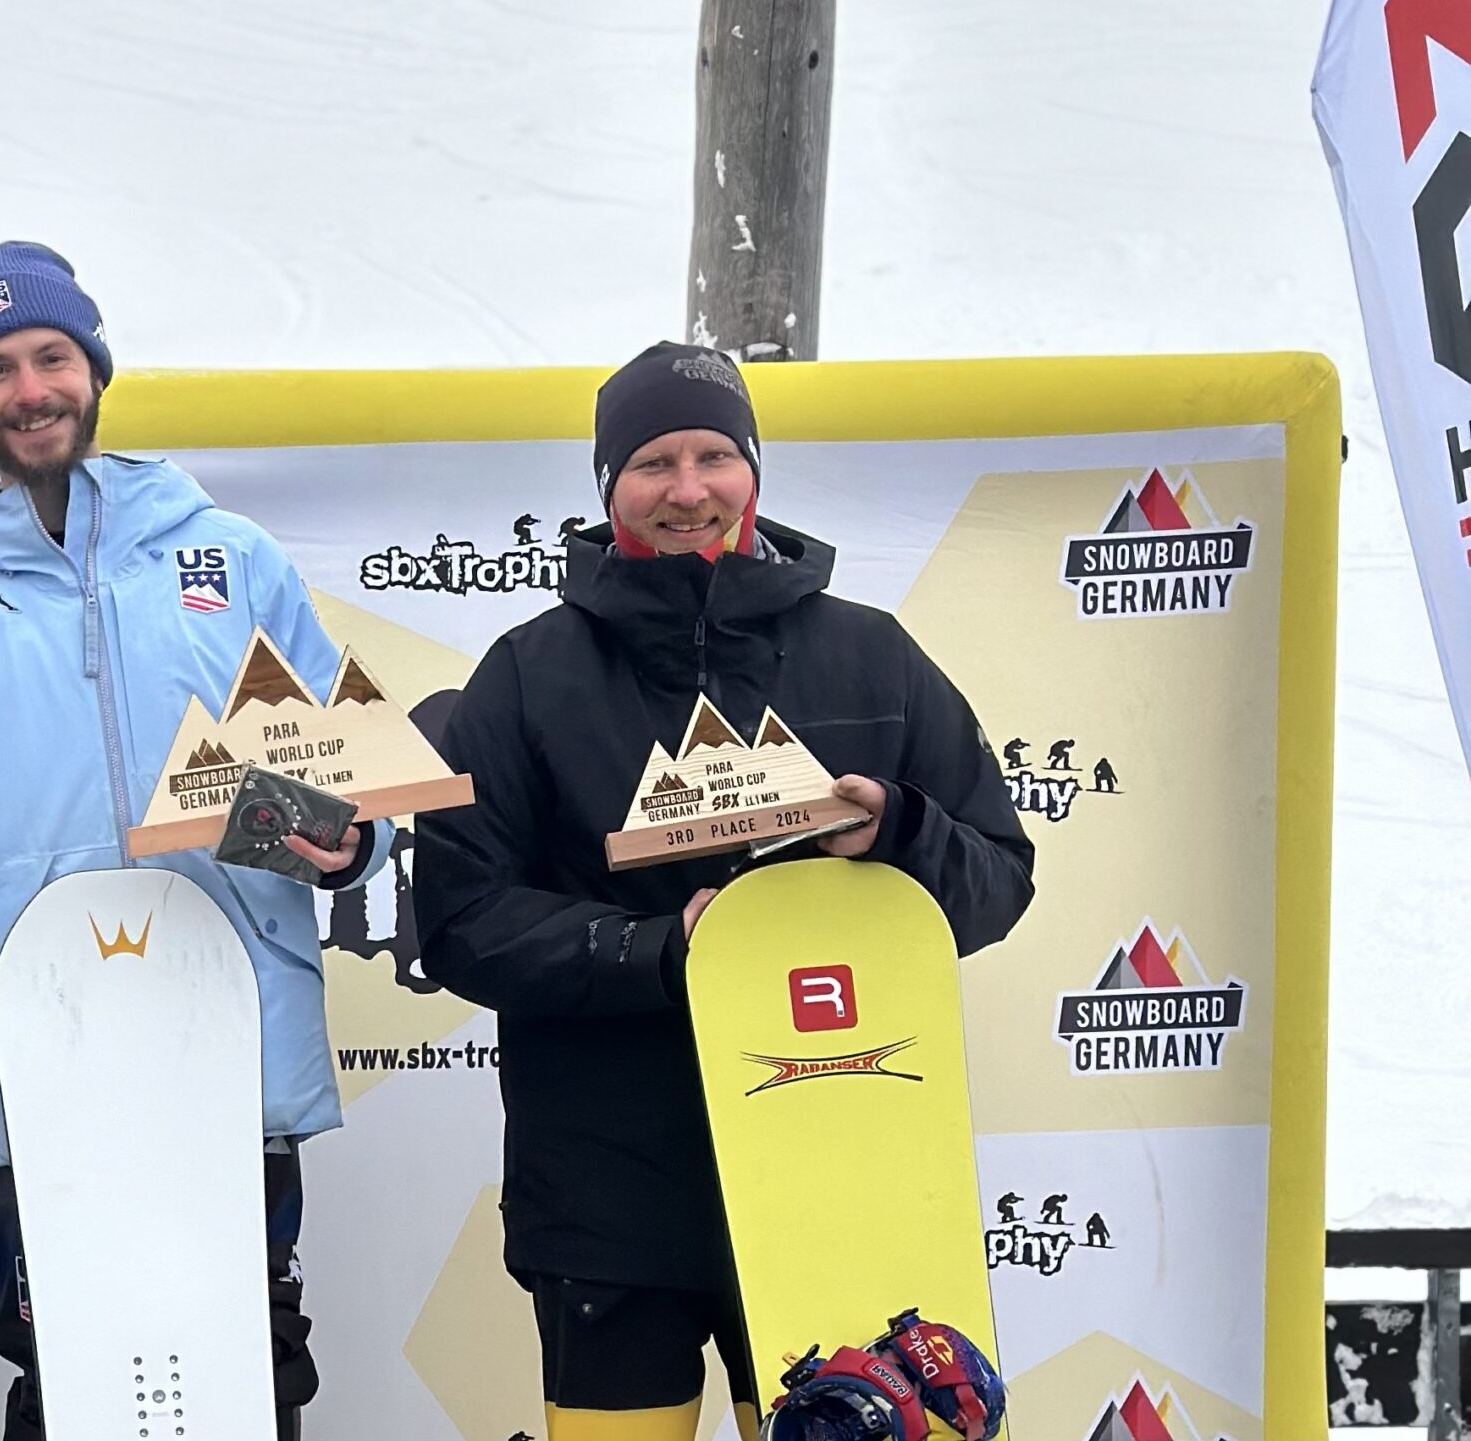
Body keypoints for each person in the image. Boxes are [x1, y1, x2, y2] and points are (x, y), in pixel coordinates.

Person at [0, 241, 390, 1441]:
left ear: (92, 367)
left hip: (225, 1043)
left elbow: (345, 785)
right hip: (44, 1048)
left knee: (247, 1366)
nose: (29, 390)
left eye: (50, 356)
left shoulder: (228, 557)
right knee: (71, 1381)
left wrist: (344, 843)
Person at [411, 342, 1033, 1441]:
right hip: (606, 1197)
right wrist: (667, 949)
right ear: (608, 487)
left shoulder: (870, 656)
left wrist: (893, 828)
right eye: (652, 461)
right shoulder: (527, 672)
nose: (686, 489)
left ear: (753, 469)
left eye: (712, 455)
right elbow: (462, 921)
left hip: (834, 1183)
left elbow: (996, 882)